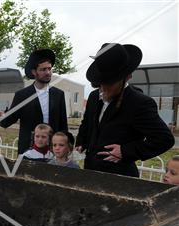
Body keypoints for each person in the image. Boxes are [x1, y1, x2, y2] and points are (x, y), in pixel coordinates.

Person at [75, 43, 175, 177]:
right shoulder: (94, 96)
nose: (103, 88)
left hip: (119, 177)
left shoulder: (139, 103)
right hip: (90, 172)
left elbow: (164, 139)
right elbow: (87, 123)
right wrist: (81, 141)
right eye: (101, 82)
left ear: (127, 76)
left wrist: (126, 151)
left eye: (110, 82)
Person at [0, 49, 68, 154]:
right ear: (34, 72)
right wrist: (0, 117)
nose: (48, 73)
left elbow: (63, 124)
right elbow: (10, 119)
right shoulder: (22, 95)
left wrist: (65, 146)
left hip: (53, 150)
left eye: (49, 69)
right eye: (43, 69)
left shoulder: (59, 94)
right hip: (28, 149)